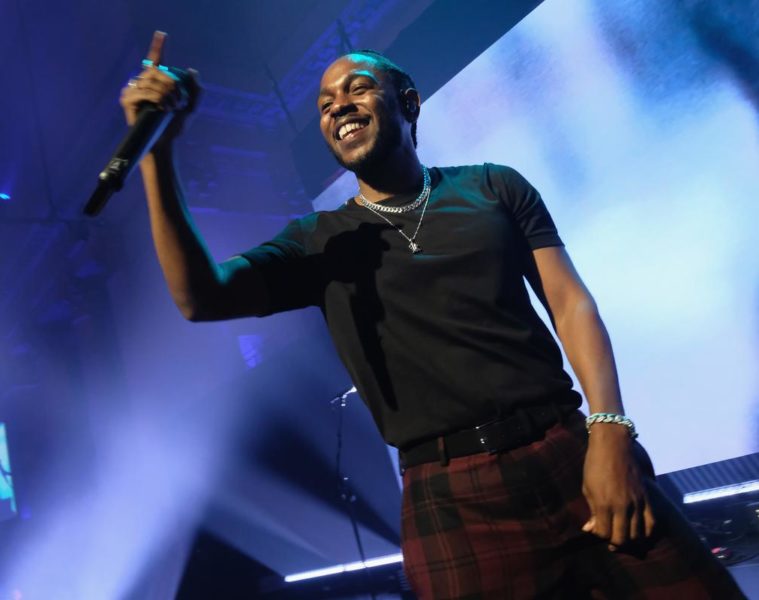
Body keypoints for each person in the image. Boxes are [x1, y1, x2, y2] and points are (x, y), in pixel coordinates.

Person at [122, 32, 745, 599]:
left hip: (568, 450)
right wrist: (157, 153)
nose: (338, 106)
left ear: (408, 103)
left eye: (357, 88)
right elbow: (200, 297)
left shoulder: (493, 186)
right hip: (449, 495)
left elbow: (569, 302)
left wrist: (609, 432)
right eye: (324, 103)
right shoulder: (318, 240)